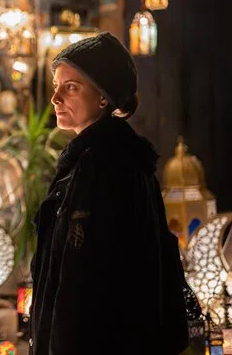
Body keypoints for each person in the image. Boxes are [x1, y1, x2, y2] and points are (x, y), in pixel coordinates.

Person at [29, 32, 189, 354]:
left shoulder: (108, 165)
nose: (55, 98)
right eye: (57, 86)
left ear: (103, 97)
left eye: (71, 87)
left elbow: (87, 282)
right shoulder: (87, 161)